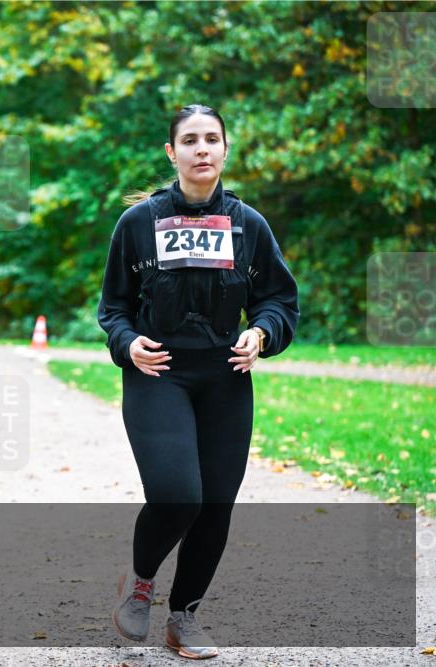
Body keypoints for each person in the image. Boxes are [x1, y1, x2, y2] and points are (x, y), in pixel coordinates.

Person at [98, 104, 299, 660]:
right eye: (190, 140)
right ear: (172, 153)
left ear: (225, 149)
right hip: (157, 370)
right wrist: (127, 343)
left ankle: (183, 617)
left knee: (215, 505)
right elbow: (113, 307)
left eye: (212, 138)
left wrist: (261, 332)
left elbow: (279, 300)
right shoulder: (137, 224)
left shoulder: (248, 225)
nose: (202, 148)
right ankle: (141, 581)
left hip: (224, 376)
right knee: (177, 495)